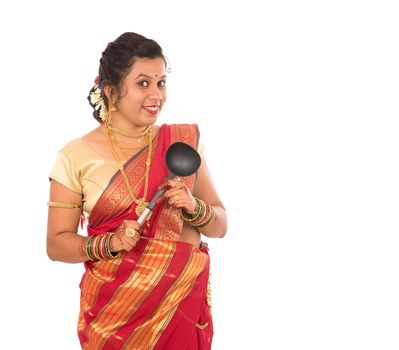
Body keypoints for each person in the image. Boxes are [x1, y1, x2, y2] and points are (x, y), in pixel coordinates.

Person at [46, 32, 227, 349]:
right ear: (110, 90)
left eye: (161, 82)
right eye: (143, 83)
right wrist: (109, 243)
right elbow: (56, 245)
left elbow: (220, 225)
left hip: (180, 313)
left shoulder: (181, 143)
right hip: (115, 319)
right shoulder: (75, 156)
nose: (156, 94)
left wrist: (193, 207)